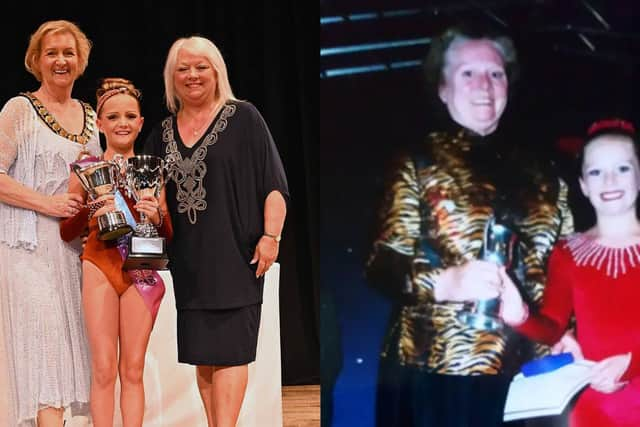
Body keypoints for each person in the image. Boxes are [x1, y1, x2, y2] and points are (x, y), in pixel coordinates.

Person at [364, 23, 576, 427]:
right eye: (468, 73)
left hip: (527, 371)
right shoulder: (415, 162)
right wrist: (443, 283)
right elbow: (381, 264)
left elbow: (566, 264)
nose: (485, 85)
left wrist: (565, 330)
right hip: (436, 375)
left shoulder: (546, 174)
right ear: (442, 88)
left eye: (496, 73)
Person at [143, 36, 289, 427]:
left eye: (200, 67)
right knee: (204, 357)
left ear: (217, 72)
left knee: (230, 353)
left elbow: (274, 185)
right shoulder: (161, 133)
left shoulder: (245, 118)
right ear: (171, 78)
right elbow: (151, 195)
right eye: (183, 69)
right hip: (189, 262)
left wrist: (271, 236)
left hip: (237, 255)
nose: (192, 75)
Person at [500, 118, 640, 427]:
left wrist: (632, 363)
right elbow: (552, 326)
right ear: (583, 186)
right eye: (596, 172)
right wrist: (519, 316)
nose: (609, 180)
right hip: (594, 408)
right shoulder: (567, 252)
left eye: (623, 168)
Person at [0, 20, 99, 427]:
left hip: (73, 251)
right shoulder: (19, 109)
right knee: (43, 344)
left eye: (69, 53)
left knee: (69, 344)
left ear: (80, 62)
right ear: (36, 61)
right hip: (27, 248)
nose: (61, 60)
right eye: (52, 53)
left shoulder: (91, 116)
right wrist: (48, 204)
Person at [59, 77, 173, 426]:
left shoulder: (152, 171)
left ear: (140, 122)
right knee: (105, 367)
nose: (121, 123)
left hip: (140, 268)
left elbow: (167, 235)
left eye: (129, 116)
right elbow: (67, 232)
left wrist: (158, 215)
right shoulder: (86, 168)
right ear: (100, 123)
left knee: (133, 368)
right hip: (99, 266)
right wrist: (89, 210)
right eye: (113, 117)